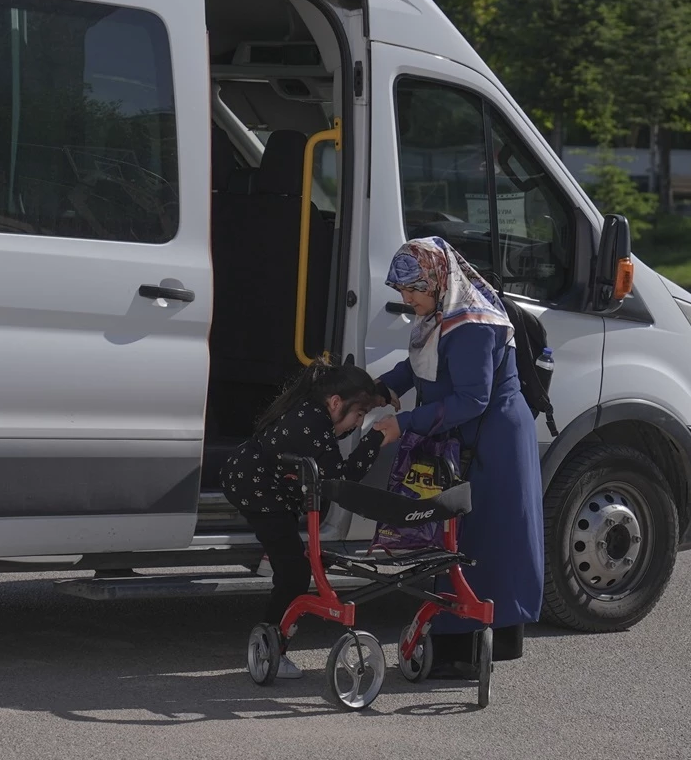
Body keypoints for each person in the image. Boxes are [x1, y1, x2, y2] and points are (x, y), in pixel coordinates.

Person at [376, 237, 544, 678]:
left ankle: (473, 647)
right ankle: (453, 643)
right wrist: (380, 388)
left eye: (414, 289)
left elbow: (472, 397)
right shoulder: (440, 313)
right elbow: (420, 367)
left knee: (484, 542)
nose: (406, 299)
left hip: (492, 443)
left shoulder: (469, 325)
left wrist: (405, 422)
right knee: (458, 539)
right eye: (401, 290)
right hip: (465, 437)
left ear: (438, 280)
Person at [222, 360, 402, 679]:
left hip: (260, 482)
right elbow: (338, 481)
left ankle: (276, 559)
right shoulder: (313, 425)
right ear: (335, 402)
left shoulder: (311, 409)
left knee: (292, 556)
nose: (356, 424)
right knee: (294, 572)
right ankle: (271, 649)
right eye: (358, 415)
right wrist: (376, 439)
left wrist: (379, 396)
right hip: (260, 492)